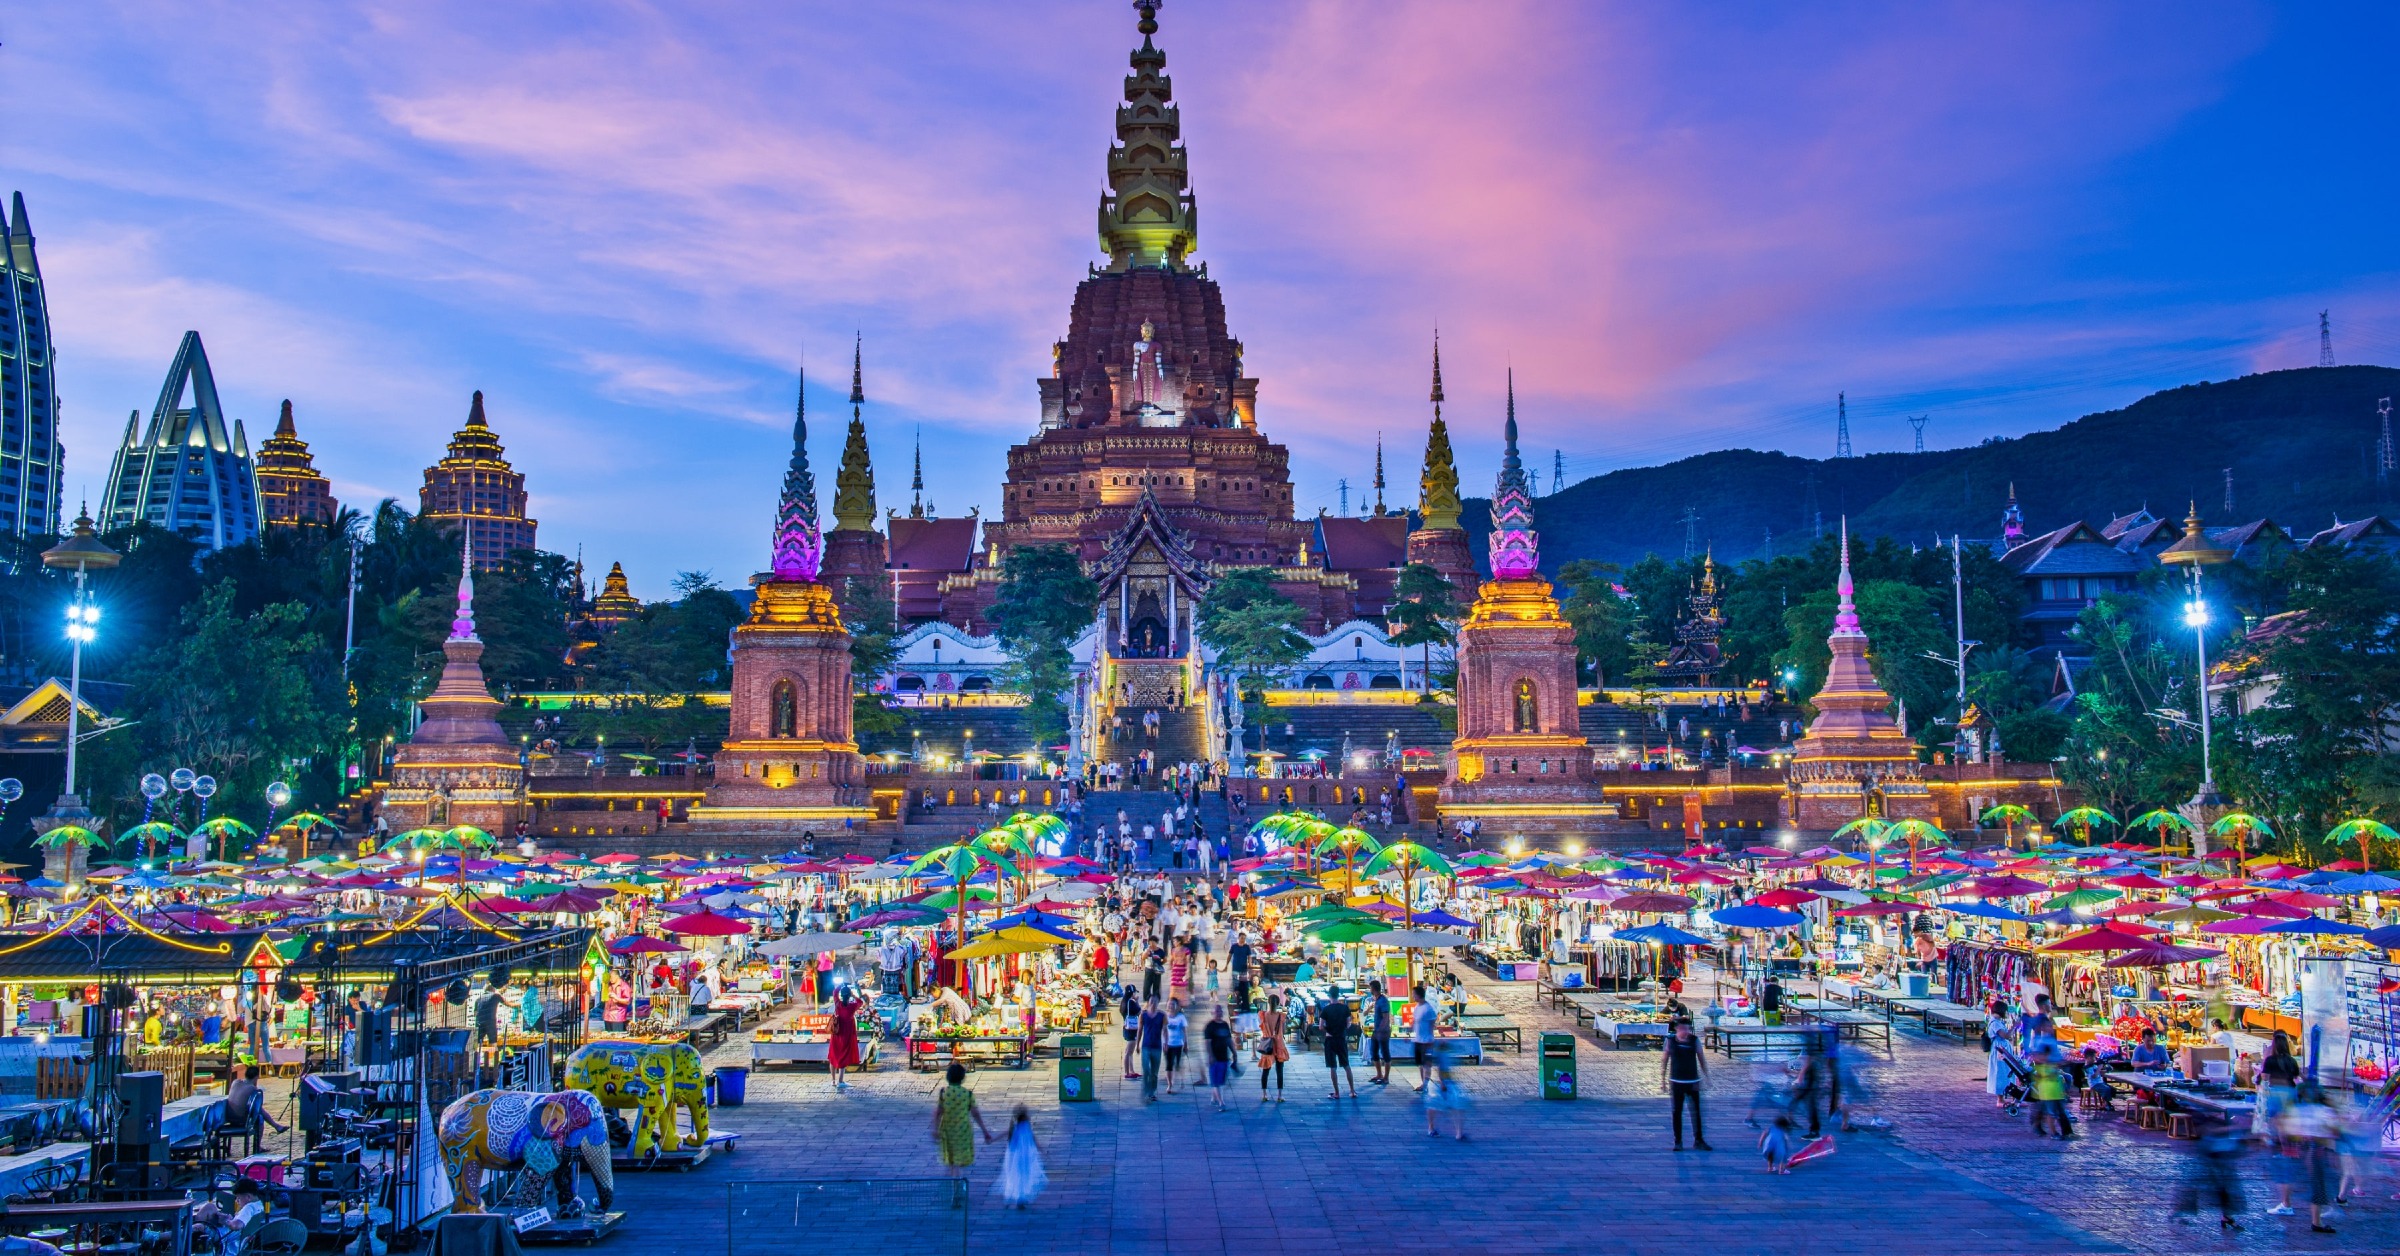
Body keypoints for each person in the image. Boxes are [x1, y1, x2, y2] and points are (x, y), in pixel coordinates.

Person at [932, 1063, 994, 1203]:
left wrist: (934, 1129)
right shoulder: (968, 1094)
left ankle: (954, 1184)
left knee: (952, 1161)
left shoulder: (943, 1093)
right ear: (962, 1078)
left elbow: (938, 1112)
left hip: (947, 1130)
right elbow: (975, 1114)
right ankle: (956, 1185)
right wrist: (985, 1131)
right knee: (958, 1162)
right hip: (963, 1131)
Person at [1662, 1018, 1712, 1151]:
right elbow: (1665, 1059)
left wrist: (1706, 1077)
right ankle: (1678, 1141)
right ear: (1677, 1028)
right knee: (1677, 1112)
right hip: (1676, 1081)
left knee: (1696, 1112)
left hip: (1692, 1081)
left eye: (1687, 1028)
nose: (1685, 1031)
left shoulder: (1694, 1040)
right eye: (1683, 1028)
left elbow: (1701, 1058)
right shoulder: (1670, 1041)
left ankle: (1699, 1140)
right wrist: (1663, 1080)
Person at [993, 1104, 1046, 1209]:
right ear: (1026, 1116)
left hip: (1013, 1157)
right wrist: (1041, 1149)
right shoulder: (1026, 1126)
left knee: (1014, 1176)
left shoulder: (1014, 1126)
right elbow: (1033, 1138)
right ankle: (1020, 1198)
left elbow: (1004, 1134)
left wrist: (992, 1139)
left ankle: (1012, 1197)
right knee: (1023, 1175)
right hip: (1025, 1157)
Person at [1423, 1040, 1467, 1140]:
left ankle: (1457, 1132)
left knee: (1438, 1106)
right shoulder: (1436, 1051)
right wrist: (1441, 1081)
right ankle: (1457, 1132)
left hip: (1443, 1081)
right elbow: (1436, 1067)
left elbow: (1431, 1066)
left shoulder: (1437, 1050)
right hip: (1440, 1082)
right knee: (1441, 1106)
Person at [827, 983, 863, 1092]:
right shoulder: (852, 1007)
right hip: (846, 1034)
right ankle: (841, 1081)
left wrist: (840, 985)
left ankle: (833, 1080)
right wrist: (853, 994)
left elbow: (834, 993)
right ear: (849, 995)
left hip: (836, 1034)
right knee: (843, 1056)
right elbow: (860, 1002)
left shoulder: (838, 1004)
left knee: (834, 1055)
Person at [1319, 992, 1356, 1099]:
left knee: (1333, 1067)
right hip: (1341, 1038)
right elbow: (1348, 1024)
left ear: (1329, 996)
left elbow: (1321, 1026)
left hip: (1330, 1039)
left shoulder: (1326, 1009)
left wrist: (1328, 1031)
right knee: (1346, 1065)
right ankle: (1352, 1091)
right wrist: (1342, 1029)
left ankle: (1337, 1093)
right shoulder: (1345, 1008)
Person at [1255, 993, 1290, 1103]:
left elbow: (1261, 1027)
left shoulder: (1263, 1015)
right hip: (1279, 1044)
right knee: (1280, 1071)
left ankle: (1264, 1094)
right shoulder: (1281, 1016)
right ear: (1278, 1003)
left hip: (1267, 1044)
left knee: (1266, 1071)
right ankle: (1279, 1096)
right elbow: (1283, 1030)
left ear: (1268, 1003)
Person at [1202, 1004, 1236, 1112]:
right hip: (1214, 1058)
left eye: (1220, 1011)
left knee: (1221, 1080)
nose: (1218, 1013)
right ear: (1212, 1013)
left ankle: (1214, 1097)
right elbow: (1207, 1043)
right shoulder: (1210, 1026)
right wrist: (1210, 1056)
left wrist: (1234, 1052)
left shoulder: (1225, 1025)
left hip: (1224, 1057)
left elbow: (1229, 1040)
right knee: (1216, 1082)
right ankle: (1221, 1102)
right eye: (1216, 1011)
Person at [1410, 983, 1438, 1093]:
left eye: (1414, 994)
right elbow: (1414, 1021)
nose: (1413, 996)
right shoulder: (1417, 1007)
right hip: (1418, 1039)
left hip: (1426, 1040)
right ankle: (1423, 1083)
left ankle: (1425, 1084)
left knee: (1426, 1064)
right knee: (1420, 1064)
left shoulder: (1428, 1008)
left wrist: (1431, 1039)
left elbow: (1432, 1023)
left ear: (1418, 995)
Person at [1138, 998, 1167, 1102]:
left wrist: (1165, 1043)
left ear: (1158, 1003)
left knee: (1154, 1073)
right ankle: (1146, 1090)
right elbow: (1140, 1030)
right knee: (1146, 1070)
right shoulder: (1143, 1015)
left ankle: (1152, 1092)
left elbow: (1164, 1030)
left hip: (1157, 1047)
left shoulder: (1162, 1016)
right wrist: (1137, 1044)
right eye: (1151, 1002)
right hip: (1146, 1046)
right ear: (1148, 1003)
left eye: (1155, 1002)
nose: (1153, 1004)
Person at [1366, 985, 1394, 1086]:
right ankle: (1379, 1074)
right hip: (1376, 1030)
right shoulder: (1377, 1000)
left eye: (1370, 988)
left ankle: (1386, 1077)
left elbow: (1385, 1017)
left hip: (1383, 1031)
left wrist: (1381, 1030)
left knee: (1385, 1053)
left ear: (1373, 989)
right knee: (1374, 1052)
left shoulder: (1383, 1001)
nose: (1370, 990)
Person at [1162, 999, 1189, 1094]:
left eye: (1173, 1005)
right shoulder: (1164, 1017)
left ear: (1177, 1006)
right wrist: (1164, 1043)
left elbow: (1185, 1032)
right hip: (1168, 1044)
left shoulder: (1181, 1017)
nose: (1171, 1006)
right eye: (1169, 1005)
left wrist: (1186, 1044)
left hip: (1178, 1044)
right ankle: (1170, 1084)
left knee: (1178, 1064)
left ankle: (1181, 1080)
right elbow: (1163, 1030)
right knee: (1168, 1065)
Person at [1119, 987, 1143, 1080]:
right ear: (1132, 993)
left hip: (1127, 1027)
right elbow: (1139, 1011)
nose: (1135, 994)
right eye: (1134, 992)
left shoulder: (1124, 1002)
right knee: (1128, 1052)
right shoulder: (1131, 1002)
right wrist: (1137, 1001)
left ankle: (1131, 1071)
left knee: (1129, 1052)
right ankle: (1127, 1072)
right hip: (1132, 1029)